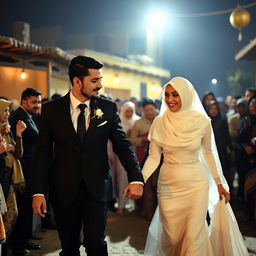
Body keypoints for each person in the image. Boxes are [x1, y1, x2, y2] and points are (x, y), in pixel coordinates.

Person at [31, 55, 143, 256]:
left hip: (97, 188)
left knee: (96, 243)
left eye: (100, 79)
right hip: (64, 189)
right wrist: (39, 192)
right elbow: (43, 154)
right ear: (77, 81)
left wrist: (136, 177)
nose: (100, 85)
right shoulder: (51, 110)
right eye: (94, 80)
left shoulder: (108, 108)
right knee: (69, 246)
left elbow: (122, 146)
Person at [142, 77, 233, 255]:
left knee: (193, 237)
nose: (170, 99)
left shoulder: (202, 121)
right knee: (172, 238)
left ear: (186, 94)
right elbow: (153, 157)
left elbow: (208, 153)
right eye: (167, 95)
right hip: (168, 186)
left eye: (175, 94)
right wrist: (139, 180)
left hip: (196, 185)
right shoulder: (159, 122)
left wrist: (219, 183)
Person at [9, 88, 42, 256]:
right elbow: (37, 137)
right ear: (24, 102)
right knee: (22, 207)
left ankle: (25, 239)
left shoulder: (29, 116)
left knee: (27, 206)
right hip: (23, 170)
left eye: (39, 102)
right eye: (34, 102)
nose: (37, 105)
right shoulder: (20, 117)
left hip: (29, 168)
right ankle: (19, 245)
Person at [0, 99, 27, 256]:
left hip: (9, 177)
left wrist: (18, 135)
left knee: (11, 213)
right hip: (1, 177)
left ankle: (4, 246)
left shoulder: (6, 129)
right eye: (5, 110)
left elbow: (18, 154)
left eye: (9, 110)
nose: (8, 113)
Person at [115, 101, 139, 214]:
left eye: (131, 111)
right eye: (127, 111)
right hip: (120, 154)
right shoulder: (118, 121)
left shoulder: (137, 121)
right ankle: (120, 204)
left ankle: (127, 205)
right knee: (120, 179)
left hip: (134, 154)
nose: (129, 113)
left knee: (130, 178)